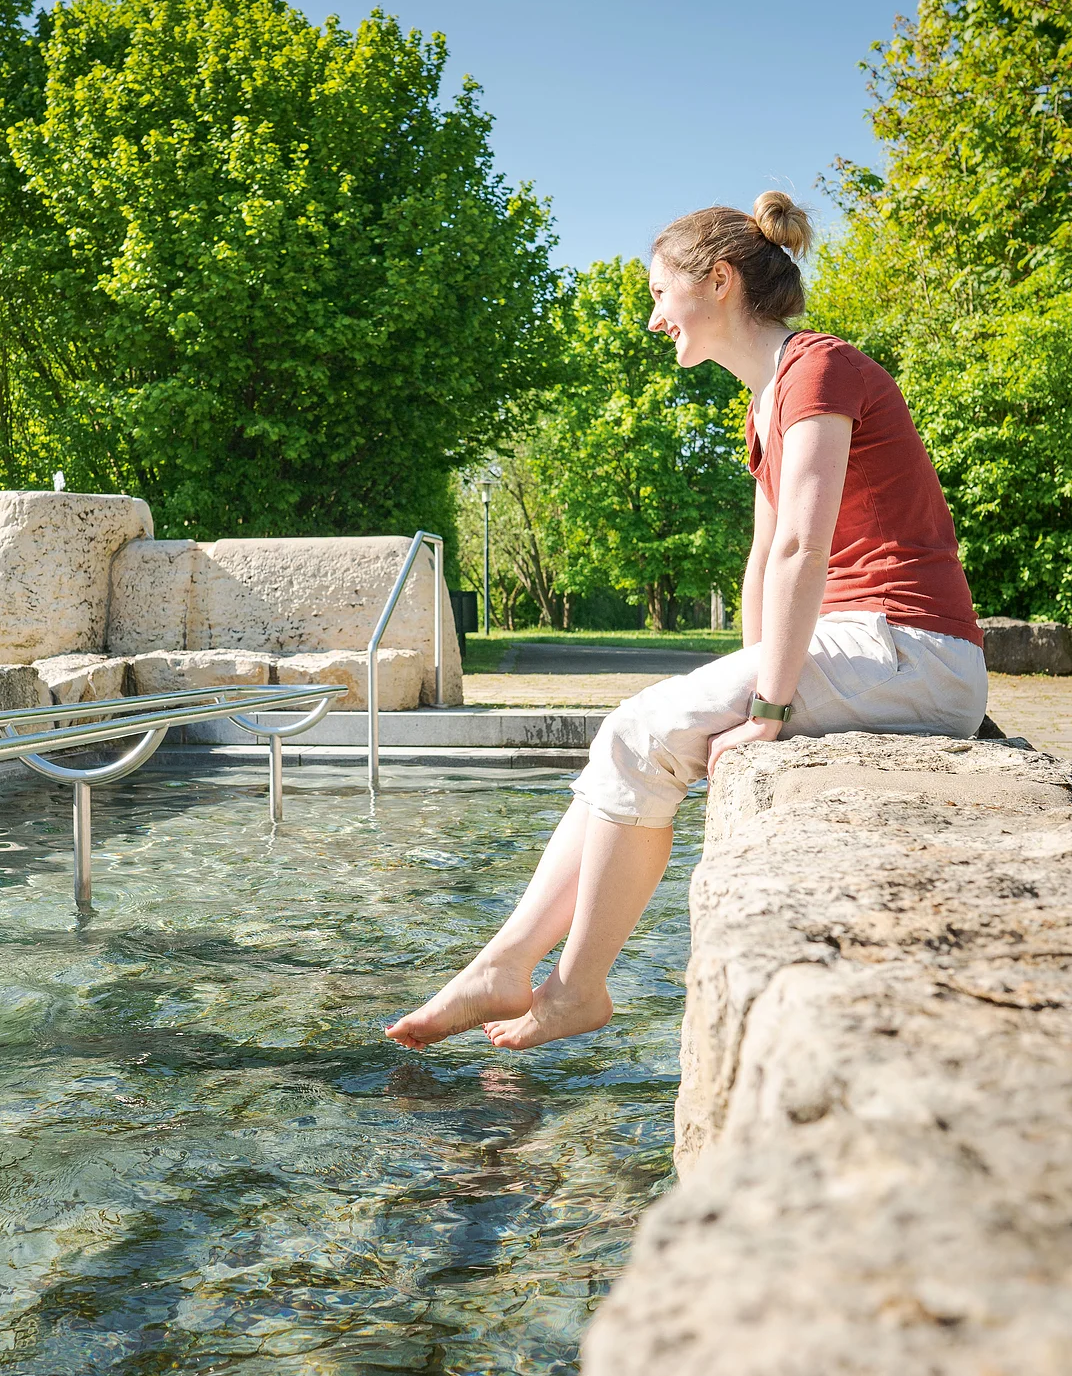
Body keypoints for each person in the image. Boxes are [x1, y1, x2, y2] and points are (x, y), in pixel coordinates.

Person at [387, 192, 987, 1050]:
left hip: (911, 651)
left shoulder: (820, 369)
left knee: (640, 731)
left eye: (660, 293)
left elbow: (801, 554)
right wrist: (747, 682)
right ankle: (506, 965)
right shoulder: (767, 397)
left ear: (718, 280)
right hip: (864, 649)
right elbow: (761, 558)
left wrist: (769, 709)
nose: (652, 317)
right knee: (630, 737)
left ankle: (576, 986)